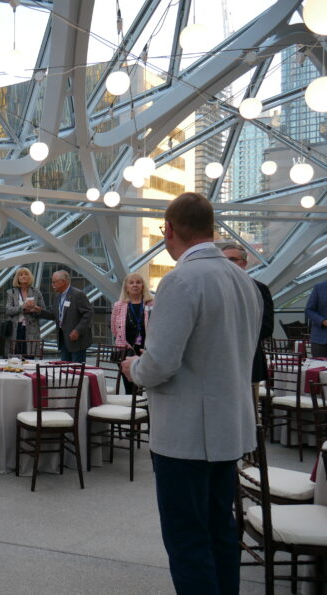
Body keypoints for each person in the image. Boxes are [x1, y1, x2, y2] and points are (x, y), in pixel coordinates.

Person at [121, 192, 262, 594]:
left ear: (168, 230)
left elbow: (160, 364)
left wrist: (134, 369)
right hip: (228, 429)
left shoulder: (180, 280)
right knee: (220, 529)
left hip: (186, 435)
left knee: (187, 538)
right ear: (211, 228)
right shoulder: (244, 281)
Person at [222, 244, 274, 420]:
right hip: (217, 366)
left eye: (232, 259)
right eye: (223, 260)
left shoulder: (259, 289)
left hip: (248, 362)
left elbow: (266, 327)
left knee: (248, 418)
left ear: (244, 263)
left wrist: (233, 337)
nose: (227, 264)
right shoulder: (213, 288)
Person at [110, 272, 154, 392]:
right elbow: (114, 329)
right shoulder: (119, 306)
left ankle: (141, 404)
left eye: (138, 282)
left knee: (143, 386)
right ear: (126, 287)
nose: (135, 285)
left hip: (145, 351)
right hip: (125, 351)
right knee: (129, 387)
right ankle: (130, 404)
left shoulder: (151, 304)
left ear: (143, 286)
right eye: (131, 283)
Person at [40, 270, 93, 363]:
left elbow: (89, 313)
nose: (52, 284)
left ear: (63, 282)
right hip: (63, 338)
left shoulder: (77, 294)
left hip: (77, 340)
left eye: (54, 282)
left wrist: (77, 330)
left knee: (76, 368)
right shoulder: (57, 296)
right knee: (64, 367)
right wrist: (39, 311)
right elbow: (54, 315)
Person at [3, 267, 46, 356]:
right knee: (15, 355)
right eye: (21, 275)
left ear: (30, 277)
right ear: (17, 278)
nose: (23, 276)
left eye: (26, 274)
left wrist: (35, 308)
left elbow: (43, 309)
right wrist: (23, 307)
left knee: (29, 355)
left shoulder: (36, 292)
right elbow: (8, 310)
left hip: (32, 328)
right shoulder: (11, 292)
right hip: (16, 328)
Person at [306, 279, 327, 358]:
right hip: (320, 340)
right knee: (319, 365)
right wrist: (323, 321)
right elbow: (308, 310)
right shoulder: (319, 287)